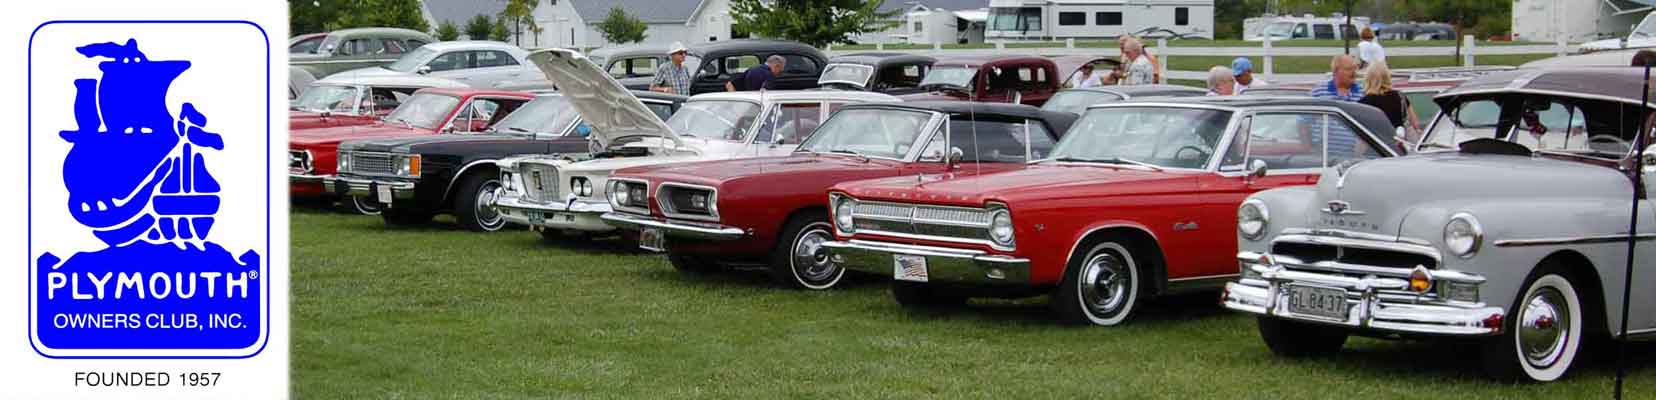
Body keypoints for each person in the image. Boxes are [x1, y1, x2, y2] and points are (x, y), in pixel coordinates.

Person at [1357, 62, 1421, 152]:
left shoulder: (1363, 103)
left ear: (1368, 79)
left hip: (1376, 151)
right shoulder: (1400, 97)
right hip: (1400, 149)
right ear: (1387, 77)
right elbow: (1415, 124)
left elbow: (1359, 133)